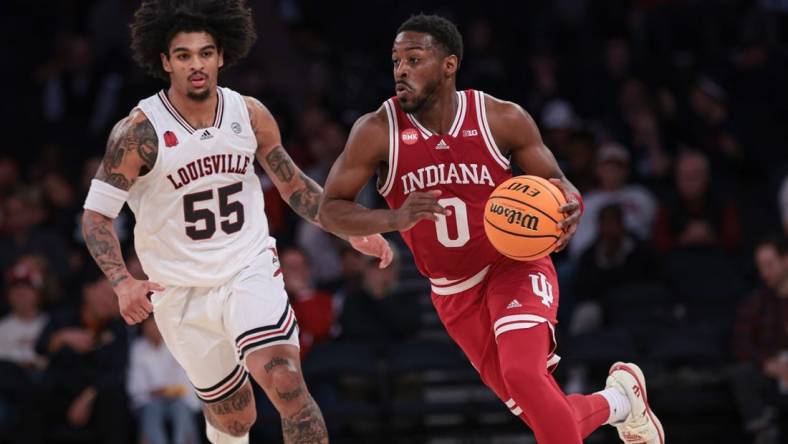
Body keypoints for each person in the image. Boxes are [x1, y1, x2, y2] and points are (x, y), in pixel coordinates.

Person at [319, 14, 663, 444]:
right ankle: (620, 402)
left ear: (449, 65)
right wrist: (394, 219)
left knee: (523, 374)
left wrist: (569, 207)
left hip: (514, 263)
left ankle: (620, 403)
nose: (401, 70)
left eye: (414, 59)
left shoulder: (501, 118)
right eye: (395, 61)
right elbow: (329, 208)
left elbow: (560, 184)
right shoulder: (376, 130)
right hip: (452, 292)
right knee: (543, 411)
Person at [80, 1, 392, 443]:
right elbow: (95, 216)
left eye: (206, 53)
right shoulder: (138, 133)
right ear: (165, 61)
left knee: (285, 381)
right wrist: (122, 282)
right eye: (184, 55)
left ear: (222, 56)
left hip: (248, 269)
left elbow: (294, 186)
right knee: (235, 419)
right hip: (181, 291)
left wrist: (351, 227)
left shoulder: (249, 113)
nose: (197, 64)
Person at [731, 236, 788, 444]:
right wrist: (768, 364)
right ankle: (765, 433)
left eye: (769, 265)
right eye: (760, 267)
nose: (765, 273)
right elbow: (741, 343)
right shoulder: (757, 303)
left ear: (786, 260)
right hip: (773, 372)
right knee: (743, 374)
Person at [128, 317, 199, 444]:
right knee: (152, 409)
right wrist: (157, 391)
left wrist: (168, 390)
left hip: (178, 399)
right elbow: (136, 386)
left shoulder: (176, 345)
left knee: (181, 410)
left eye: (155, 326)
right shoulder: (138, 348)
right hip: (149, 401)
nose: (153, 330)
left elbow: (186, 380)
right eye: (148, 327)